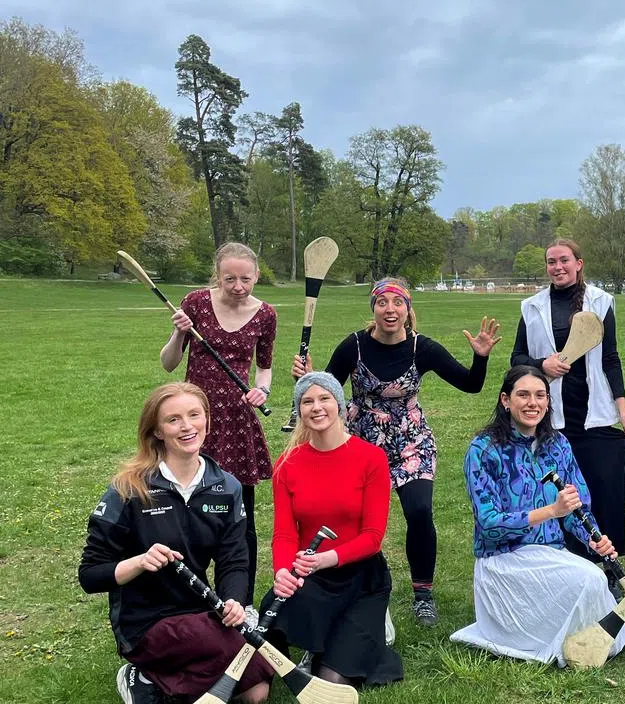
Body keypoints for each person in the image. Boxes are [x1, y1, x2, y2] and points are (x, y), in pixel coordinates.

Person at [292, 277, 500, 625]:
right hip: (360, 442)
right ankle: (351, 586)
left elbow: (471, 385)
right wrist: (311, 377)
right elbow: (326, 391)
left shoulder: (423, 348)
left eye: (397, 302)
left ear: (408, 308)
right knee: (352, 518)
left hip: (411, 440)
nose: (390, 309)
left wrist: (480, 358)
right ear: (373, 308)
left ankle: (423, 595)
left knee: (419, 511)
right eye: (382, 302)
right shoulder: (354, 346)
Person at [79, 383, 273, 704]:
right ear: (157, 430)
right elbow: (90, 575)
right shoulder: (129, 489)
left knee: (256, 692)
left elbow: (234, 559)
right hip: (144, 622)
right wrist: (140, 561)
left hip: (200, 610)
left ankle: (150, 681)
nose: (187, 426)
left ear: (207, 421)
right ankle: (145, 669)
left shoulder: (226, 487)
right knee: (255, 659)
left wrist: (235, 601)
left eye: (194, 415)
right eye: (173, 419)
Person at [450, 366, 625, 665]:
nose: (532, 403)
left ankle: (583, 643)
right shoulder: (483, 450)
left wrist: (593, 539)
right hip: (503, 560)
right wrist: (550, 511)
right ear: (505, 400)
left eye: (539, 396)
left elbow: (577, 507)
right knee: (589, 580)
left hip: (551, 554)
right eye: (523, 395)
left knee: (594, 578)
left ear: (548, 402)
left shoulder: (558, 444)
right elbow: (489, 524)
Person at [263, 372, 404, 687]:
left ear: (339, 405)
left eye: (324, 398)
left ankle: (358, 636)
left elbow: (372, 537)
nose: (316, 407)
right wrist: (283, 572)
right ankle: (322, 640)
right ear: (299, 410)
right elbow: (285, 534)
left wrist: (326, 559)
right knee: (268, 618)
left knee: (332, 678)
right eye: (307, 401)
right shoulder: (287, 464)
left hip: (361, 577)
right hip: (311, 576)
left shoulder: (371, 459)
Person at [510, 239, 625, 591]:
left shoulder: (601, 301)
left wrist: (622, 409)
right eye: (551, 262)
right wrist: (541, 365)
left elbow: (610, 358)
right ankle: (565, 565)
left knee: (602, 493)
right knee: (559, 493)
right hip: (553, 417)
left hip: (595, 415)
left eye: (564, 260)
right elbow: (517, 358)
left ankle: (607, 568)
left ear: (579, 263)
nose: (557, 267)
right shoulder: (532, 306)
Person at [160, 242, 276, 614]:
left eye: (245, 278)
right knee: (186, 511)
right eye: (229, 278)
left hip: (237, 421)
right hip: (194, 421)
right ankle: (189, 598)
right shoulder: (194, 303)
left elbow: (264, 366)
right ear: (217, 276)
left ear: (256, 276)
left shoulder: (266, 314)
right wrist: (179, 332)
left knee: (242, 517)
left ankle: (242, 602)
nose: (238, 286)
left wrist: (263, 390)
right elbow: (168, 364)